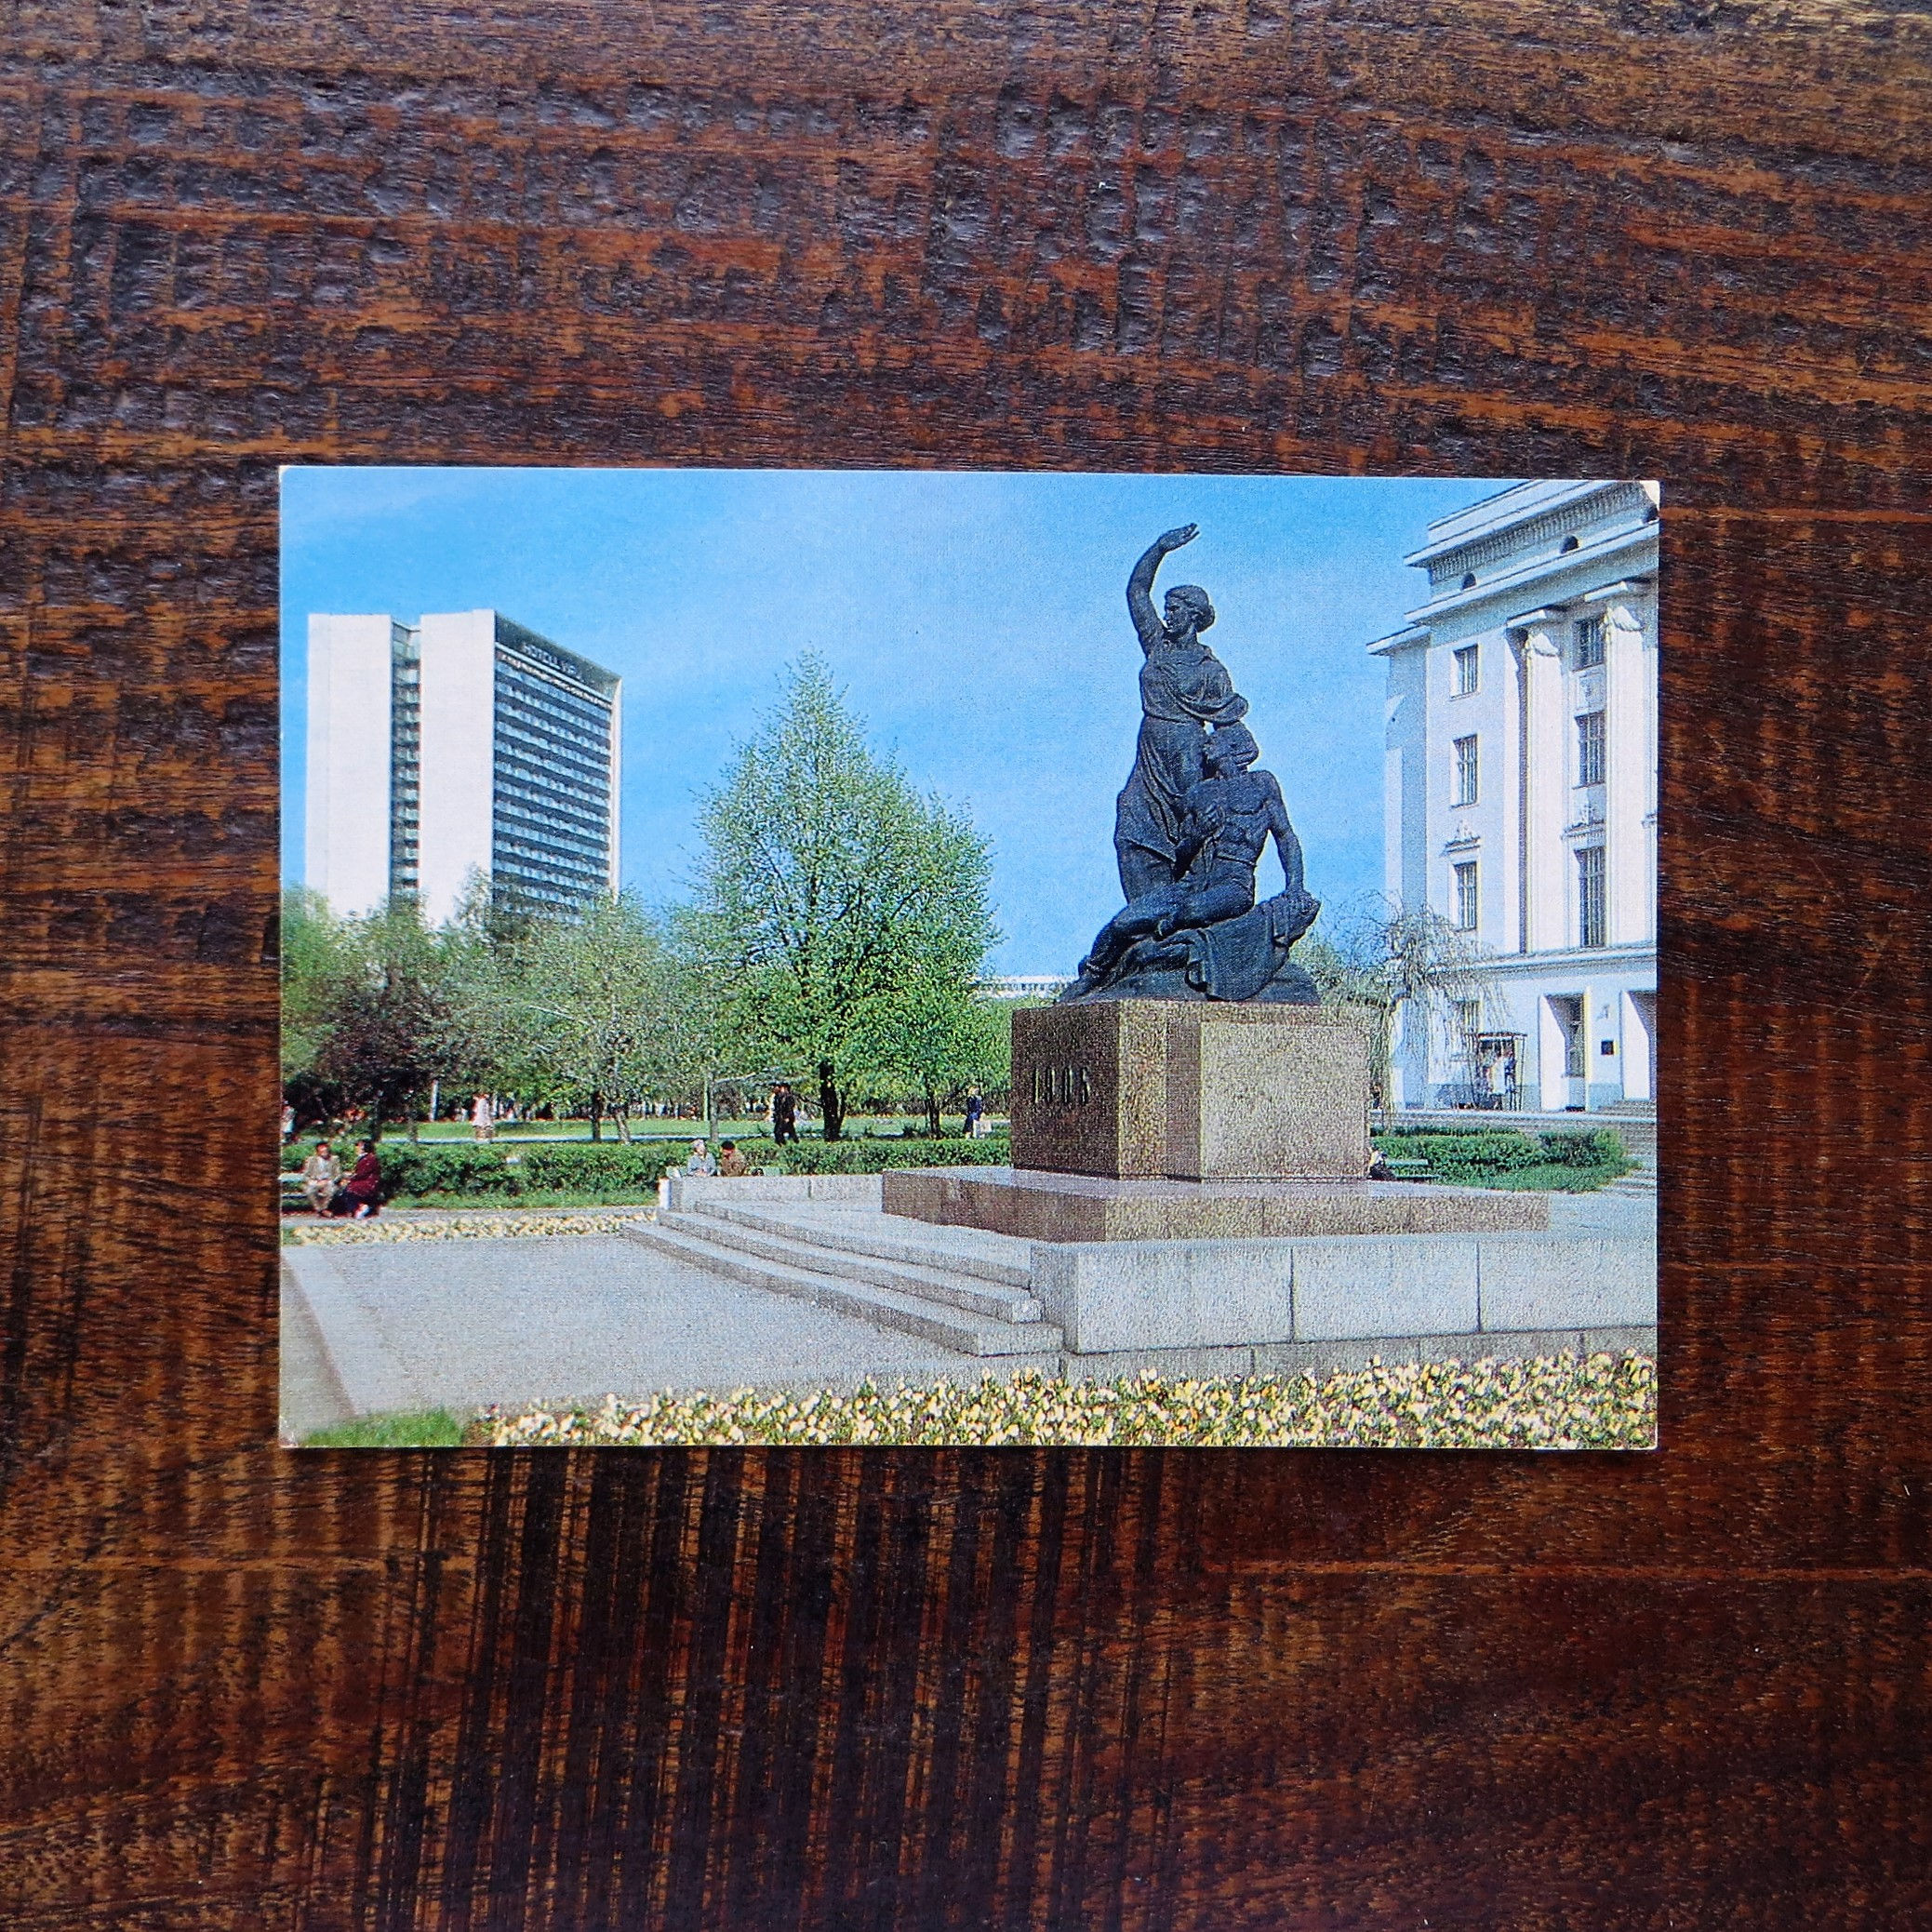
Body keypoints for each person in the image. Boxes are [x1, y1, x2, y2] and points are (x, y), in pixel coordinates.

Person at [1113, 524, 1250, 900]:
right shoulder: (1158, 646)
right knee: (1131, 818)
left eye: (1175, 609)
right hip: (1150, 754)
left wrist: (1232, 773)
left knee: (1194, 827)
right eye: (1168, 609)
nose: (1168, 615)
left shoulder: (1211, 671)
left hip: (1188, 755)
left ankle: (1191, 908)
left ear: (1194, 615)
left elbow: (1235, 733)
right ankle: (1144, 916)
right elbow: (1136, 591)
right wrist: (1159, 549)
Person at [335, 1139, 382, 1219]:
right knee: (346, 1189)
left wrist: (349, 1178)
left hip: (369, 1182)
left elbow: (362, 1174)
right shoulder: (365, 1158)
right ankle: (357, 1208)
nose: (357, 1148)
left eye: (359, 1146)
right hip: (364, 1180)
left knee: (349, 1189)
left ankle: (358, 1208)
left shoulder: (369, 1158)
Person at [300, 1140, 341, 1217]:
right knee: (309, 1190)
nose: (324, 1151)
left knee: (331, 1190)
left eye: (325, 1150)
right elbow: (305, 1175)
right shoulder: (311, 1160)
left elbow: (338, 1174)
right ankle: (322, 1210)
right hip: (315, 1182)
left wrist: (329, 1181)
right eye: (321, 1150)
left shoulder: (334, 1159)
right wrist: (314, 1182)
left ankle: (322, 1210)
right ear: (317, 1151)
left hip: (328, 1182)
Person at [770, 1082, 799, 1146]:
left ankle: (787, 1144)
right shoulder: (777, 1097)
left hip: (786, 1118)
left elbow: (790, 1108)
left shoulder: (787, 1097)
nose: (773, 1089)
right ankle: (785, 1144)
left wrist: (787, 1117)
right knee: (783, 1132)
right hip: (780, 1118)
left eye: (775, 1087)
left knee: (779, 1132)